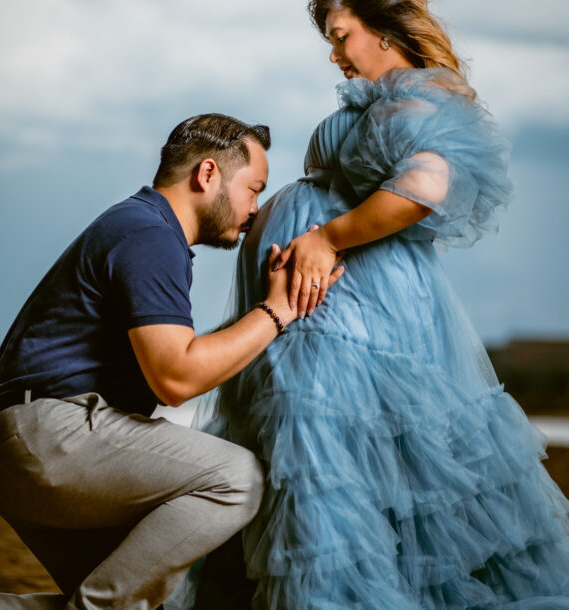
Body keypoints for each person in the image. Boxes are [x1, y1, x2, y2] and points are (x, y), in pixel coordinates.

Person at [178, 2, 569, 609]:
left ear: (385, 30)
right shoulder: (394, 96)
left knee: (319, 446)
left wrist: (325, 237)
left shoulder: (420, 95)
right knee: (320, 453)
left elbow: (427, 183)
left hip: (346, 306)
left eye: (340, 36)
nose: (334, 55)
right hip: (335, 302)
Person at [0, 113, 343, 610]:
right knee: (235, 478)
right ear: (208, 174)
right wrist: (278, 311)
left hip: (22, 447)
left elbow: (175, 356)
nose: (255, 209)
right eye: (254, 189)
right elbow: (176, 378)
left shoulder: (138, 226)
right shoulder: (150, 234)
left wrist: (257, 319)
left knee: (141, 605)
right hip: (52, 437)